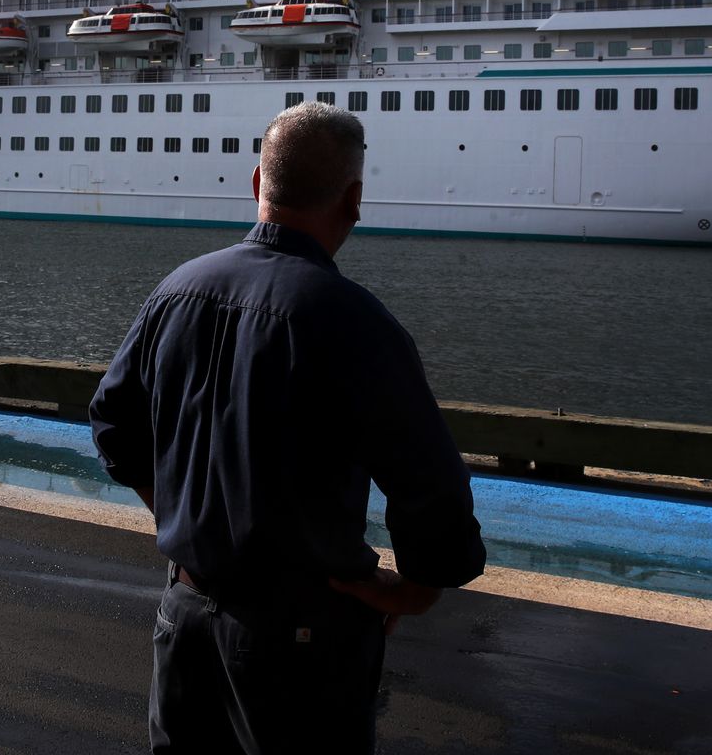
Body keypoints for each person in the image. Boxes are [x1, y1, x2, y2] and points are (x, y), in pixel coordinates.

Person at [89, 101, 486, 754]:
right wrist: (410, 591)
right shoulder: (356, 323)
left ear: (256, 184)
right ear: (353, 200)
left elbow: (112, 422)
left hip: (184, 618)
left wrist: (173, 516)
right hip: (303, 636)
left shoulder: (177, 290)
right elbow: (431, 488)